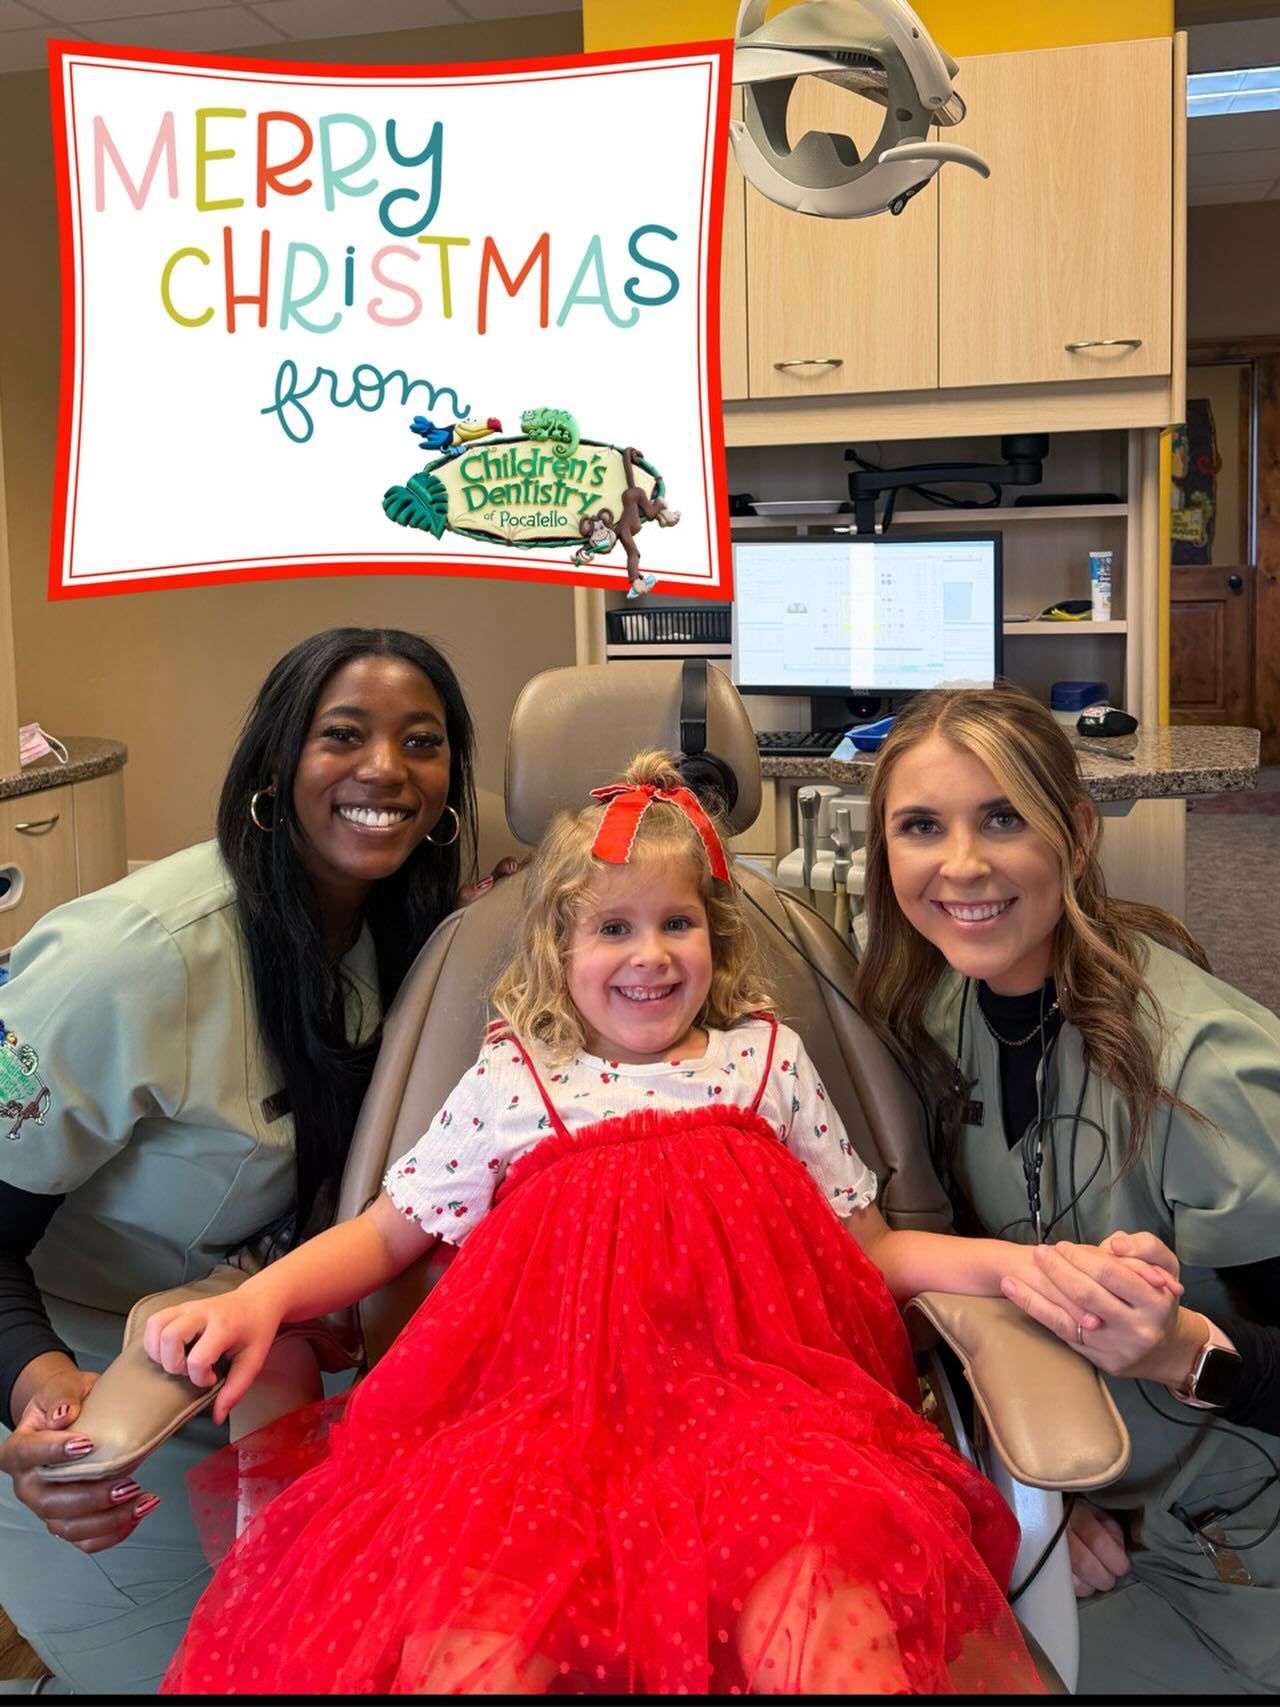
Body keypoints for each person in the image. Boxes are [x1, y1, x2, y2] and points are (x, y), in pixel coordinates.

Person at [146, 750, 1159, 1697]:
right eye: (612, 928)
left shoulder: (765, 1064)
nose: (650, 956)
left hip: (768, 1429)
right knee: (467, 1641)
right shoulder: (516, 1081)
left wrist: (1031, 1267)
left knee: (832, 1632)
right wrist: (259, 1296)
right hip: (532, 1437)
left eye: (676, 924)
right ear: (558, 946)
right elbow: (385, 1234)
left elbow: (873, 1251)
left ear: (714, 940)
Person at [0, 626, 516, 1695]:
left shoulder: (421, 938)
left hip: (302, 1385)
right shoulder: (128, 960)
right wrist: (45, 1402)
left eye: (421, 743)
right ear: (273, 768)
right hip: (113, 1403)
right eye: (343, 736)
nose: (385, 769)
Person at [853, 681, 1280, 1696]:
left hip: (1228, 1547)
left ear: (1076, 833)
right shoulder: (939, 1009)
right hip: (1068, 1500)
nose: (960, 864)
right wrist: (1035, 1491)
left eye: (1001, 817)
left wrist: (1180, 1352)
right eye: (920, 826)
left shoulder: (1209, 1075)